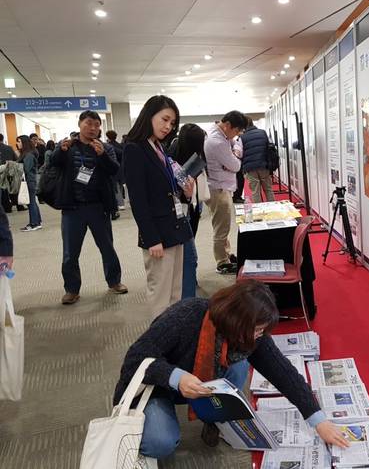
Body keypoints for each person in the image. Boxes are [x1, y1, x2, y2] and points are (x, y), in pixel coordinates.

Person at [113, 280, 349, 459]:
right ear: (237, 322)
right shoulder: (186, 315)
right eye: (257, 330)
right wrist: (175, 377)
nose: (259, 336)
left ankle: (214, 418)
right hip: (156, 385)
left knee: (240, 364)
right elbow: (135, 359)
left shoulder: (251, 335)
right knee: (160, 442)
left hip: (198, 384)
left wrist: (318, 420)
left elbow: (284, 373)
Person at [124, 95, 194, 316]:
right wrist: (151, 238)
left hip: (175, 227)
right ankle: (159, 336)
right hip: (158, 234)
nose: (168, 126)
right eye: (164, 119)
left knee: (175, 293)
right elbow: (138, 199)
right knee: (160, 295)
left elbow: (165, 189)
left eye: (172, 123)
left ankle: (172, 334)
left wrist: (186, 193)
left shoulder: (158, 146)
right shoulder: (135, 149)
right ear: (149, 115)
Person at [50, 111, 127, 305]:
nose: (93, 128)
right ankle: (71, 289)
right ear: (79, 124)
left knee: (107, 247)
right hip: (72, 208)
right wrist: (60, 151)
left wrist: (102, 155)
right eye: (89, 123)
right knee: (70, 252)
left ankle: (114, 281)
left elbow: (115, 170)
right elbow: (53, 164)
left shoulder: (105, 147)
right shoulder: (67, 146)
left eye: (97, 125)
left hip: (98, 207)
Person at [203, 111, 247, 275]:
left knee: (222, 225)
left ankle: (226, 255)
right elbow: (236, 166)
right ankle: (222, 262)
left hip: (218, 186)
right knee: (222, 227)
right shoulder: (218, 142)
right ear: (228, 125)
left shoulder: (219, 135)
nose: (236, 135)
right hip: (219, 189)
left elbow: (232, 160)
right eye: (236, 131)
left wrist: (232, 154)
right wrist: (235, 154)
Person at [169, 123, 207, 299]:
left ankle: (189, 280)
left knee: (189, 247)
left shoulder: (191, 154)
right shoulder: (174, 158)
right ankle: (186, 287)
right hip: (182, 208)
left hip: (193, 204)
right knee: (187, 252)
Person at [240, 118, 274, 203]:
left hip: (250, 167)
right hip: (264, 165)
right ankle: (273, 208)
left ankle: (259, 210)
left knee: (255, 191)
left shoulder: (242, 137)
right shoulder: (262, 132)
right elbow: (268, 147)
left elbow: (241, 153)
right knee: (268, 190)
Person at [16, 135, 42, 232]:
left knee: (30, 202)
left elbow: (26, 168)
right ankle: (37, 222)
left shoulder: (28, 155)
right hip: (30, 180)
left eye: (19, 141)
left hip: (29, 181)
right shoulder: (28, 153)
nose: (17, 144)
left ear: (24, 143)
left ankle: (34, 223)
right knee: (32, 202)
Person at [106, 130, 126, 215]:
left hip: (115, 169)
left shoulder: (109, 146)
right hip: (121, 168)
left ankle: (120, 203)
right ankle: (121, 202)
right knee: (120, 185)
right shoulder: (119, 145)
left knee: (115, 187)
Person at [0, 134, 17, 213]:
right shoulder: (9, 148)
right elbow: (15, 158)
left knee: (3, 190)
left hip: (1, 171)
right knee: (12, 188)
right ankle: (18, 205)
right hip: (10, 169)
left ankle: (6, 206)